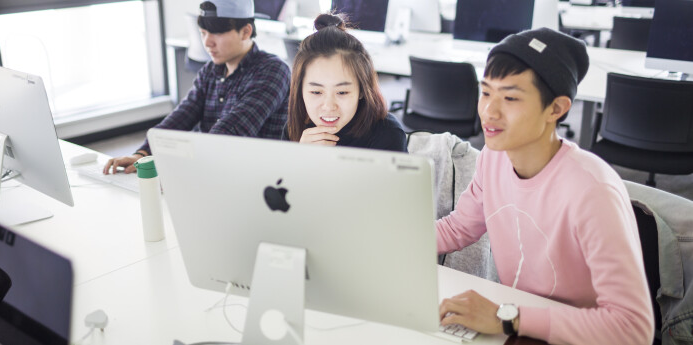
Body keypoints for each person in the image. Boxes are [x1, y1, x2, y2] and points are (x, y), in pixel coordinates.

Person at [435, 28, 654, 344]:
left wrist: (509, 318)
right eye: (486, 93)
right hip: (522, 328)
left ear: (556, 108)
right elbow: (458, 228)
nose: (490, 112)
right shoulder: (494, 158)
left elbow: (633, 329)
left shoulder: (592, 191)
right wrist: (391, 242)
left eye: (510, 98)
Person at [104, 0, 290, 174]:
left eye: (216, 33)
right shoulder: (211, 70)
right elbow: (182, 116)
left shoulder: (274, 71)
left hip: (257, 176)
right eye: (203, 33)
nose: (207, 42)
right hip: (212, 169)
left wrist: (180, 161)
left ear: (246, 31)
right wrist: (143, 153)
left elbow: (232, 130)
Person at [283, 13, 406, 152]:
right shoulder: (295, 128)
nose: (329, 106)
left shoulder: (388, 134)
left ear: (361, 90)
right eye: (316, 92)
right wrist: (300, 157)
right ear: (300, 91)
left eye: (342, 92)